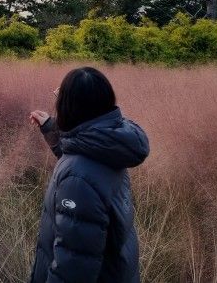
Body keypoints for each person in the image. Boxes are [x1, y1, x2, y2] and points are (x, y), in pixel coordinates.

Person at [27, 66, 149, 283]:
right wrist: (50, 127)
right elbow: (82, 159)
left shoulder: (78, 179)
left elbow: (73, 266)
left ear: (70, 107)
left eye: (59, 96)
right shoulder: (109, 146)